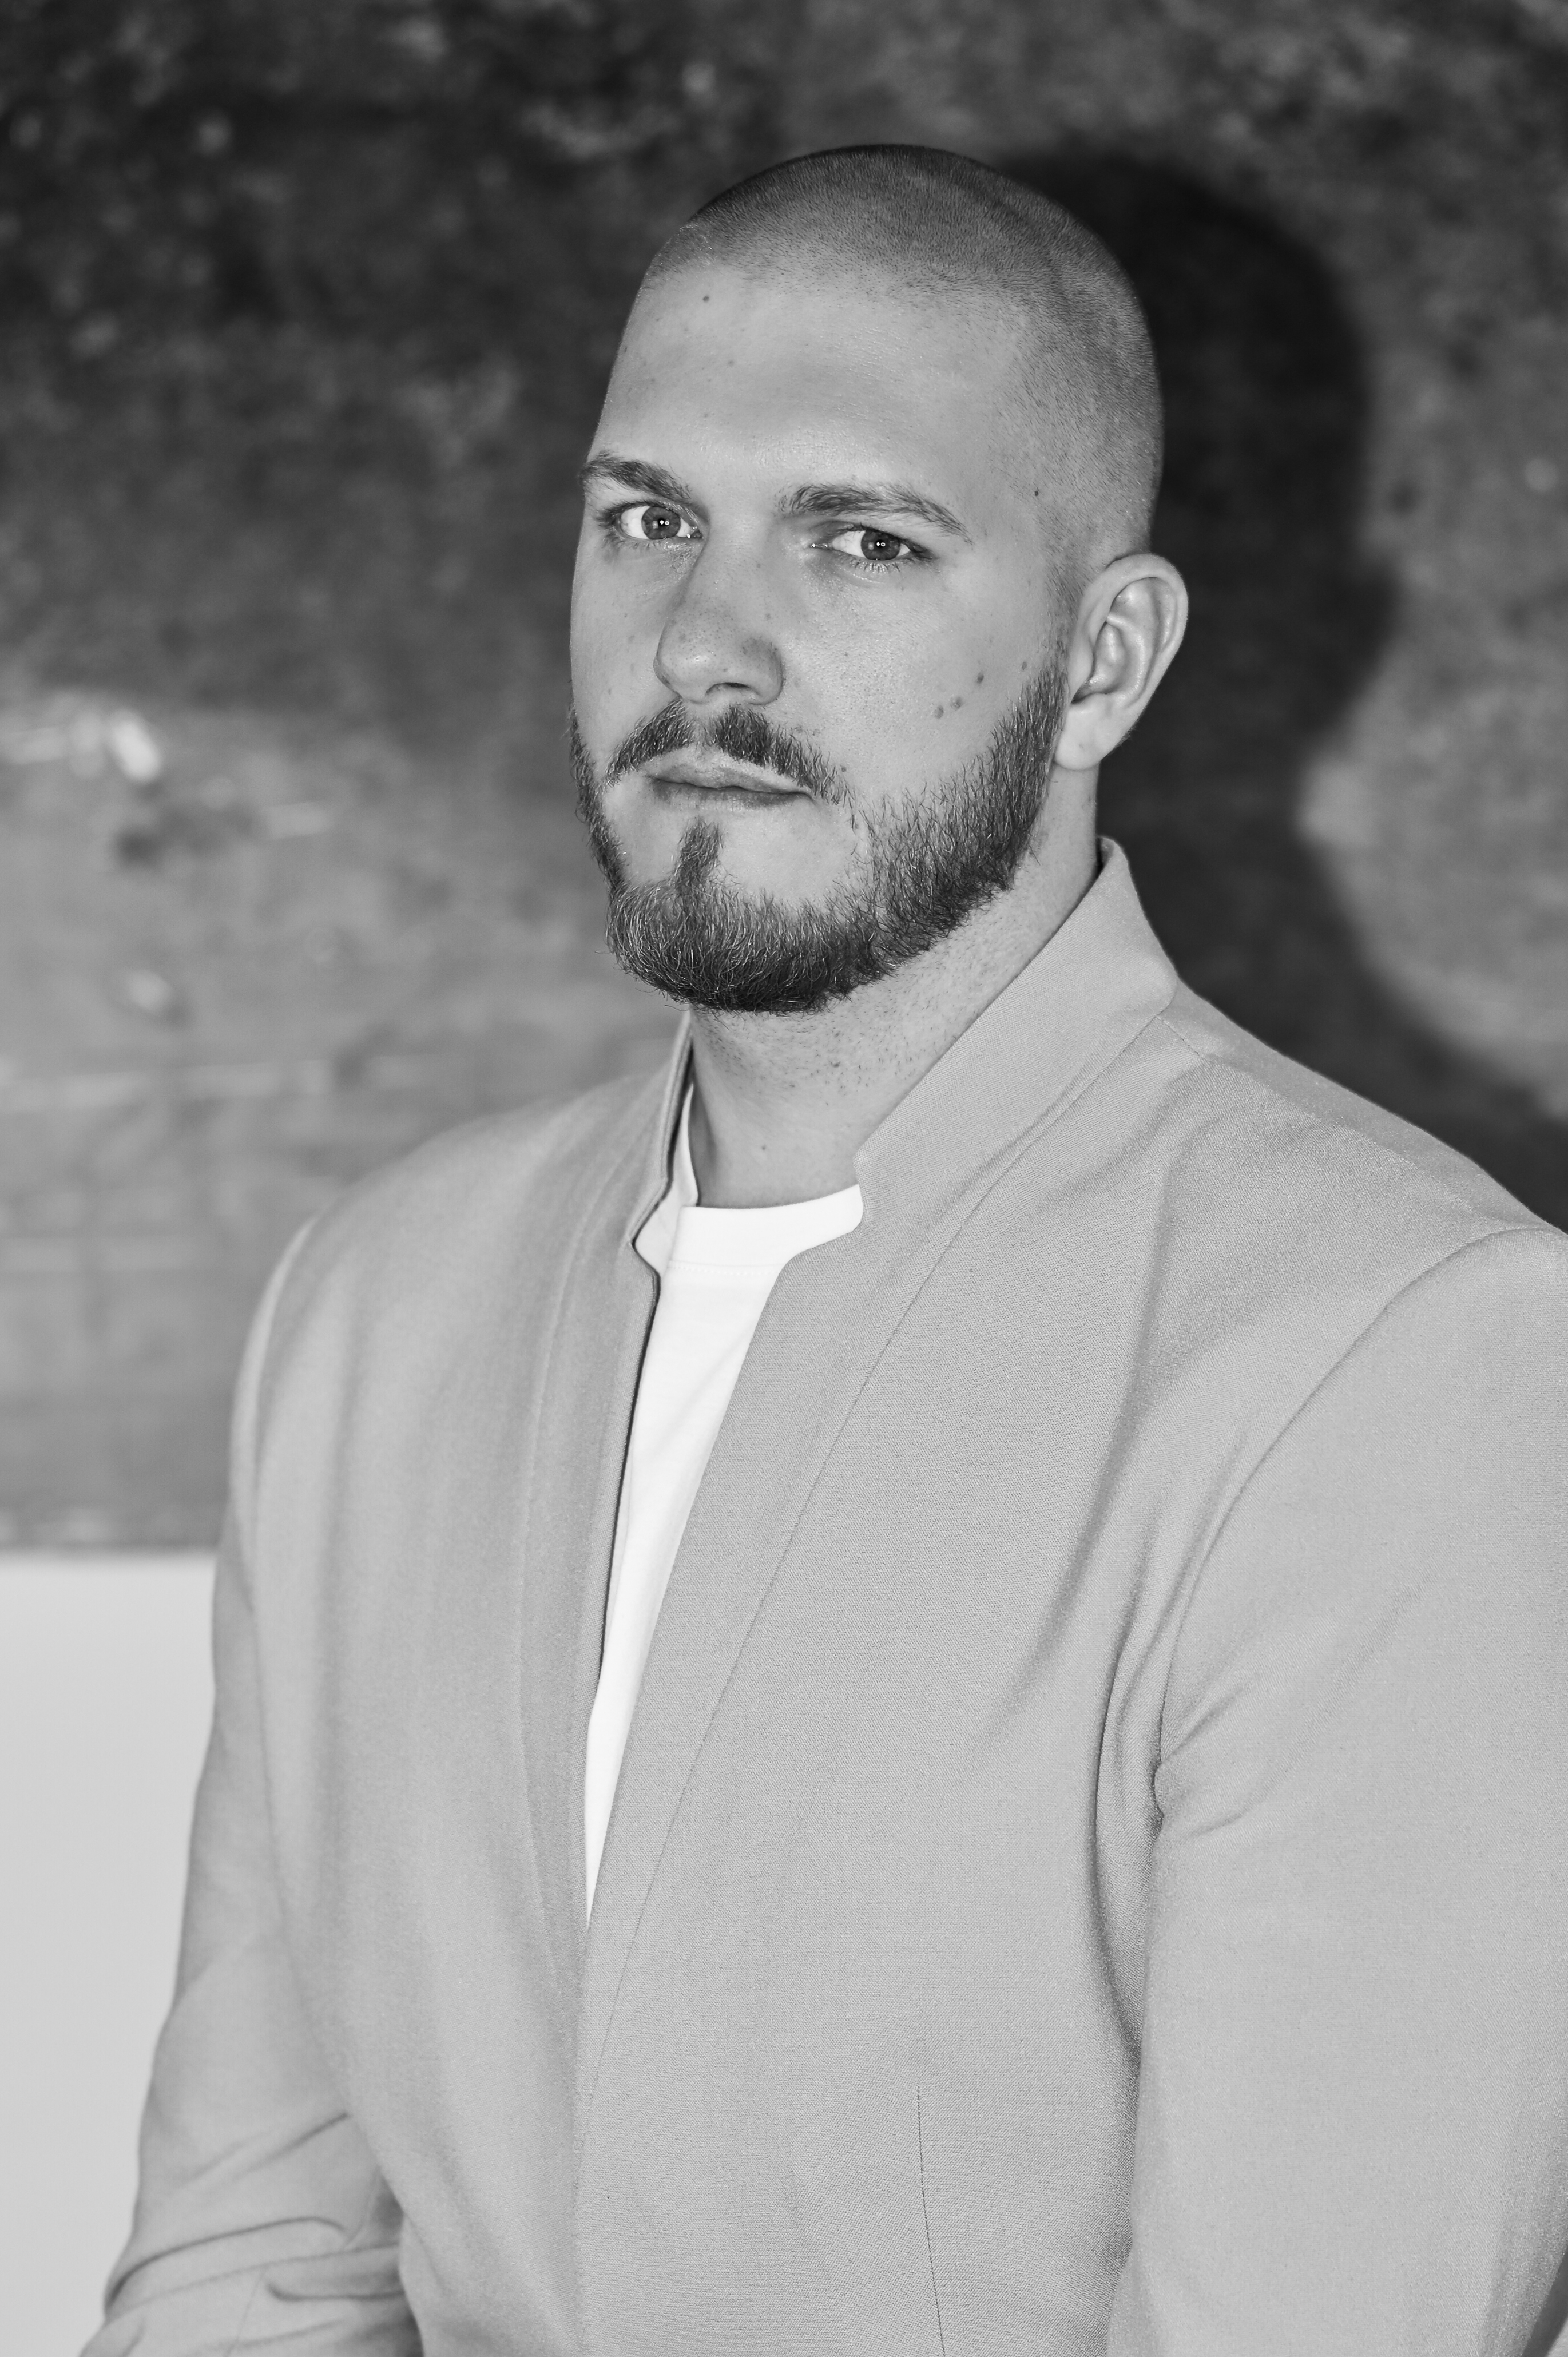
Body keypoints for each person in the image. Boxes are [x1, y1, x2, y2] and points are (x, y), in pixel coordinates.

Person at [86, 145, 1568, 2357]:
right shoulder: (373, 1312)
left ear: (1104, 662)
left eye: (861, 539)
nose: (703, 638)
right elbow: (250, 2276)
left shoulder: (1407, 1360)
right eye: (646, 519)